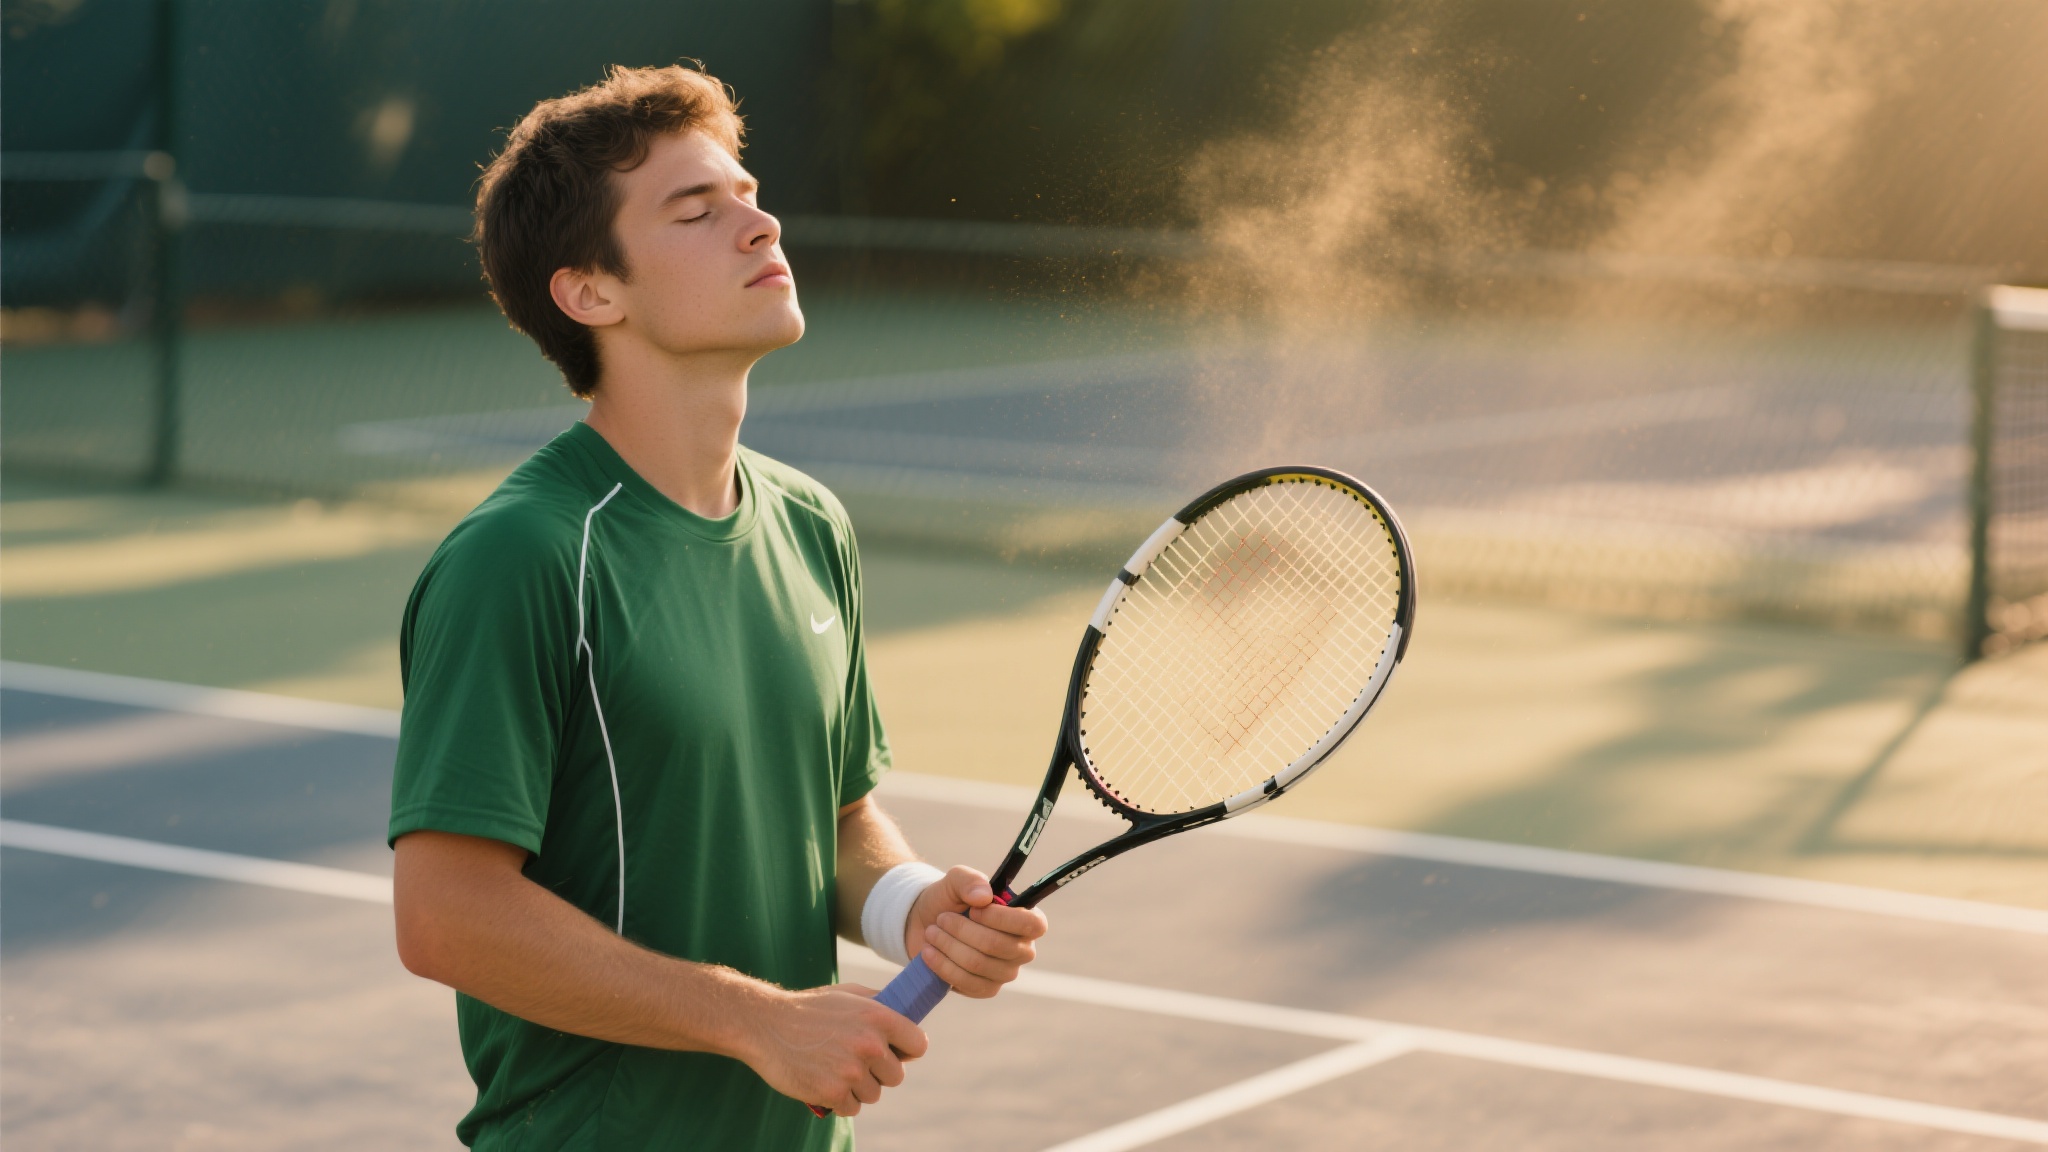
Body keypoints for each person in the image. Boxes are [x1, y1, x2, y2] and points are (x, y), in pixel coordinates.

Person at [387, 63, 1048, 1149]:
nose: (757, 221)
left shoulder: (808, 524)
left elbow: (831, 818)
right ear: (591, 292)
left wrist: (911, 906)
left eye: (746, 192)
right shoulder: (521, 555)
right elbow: (445, 915)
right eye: (696, 210)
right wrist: (756, 1020)